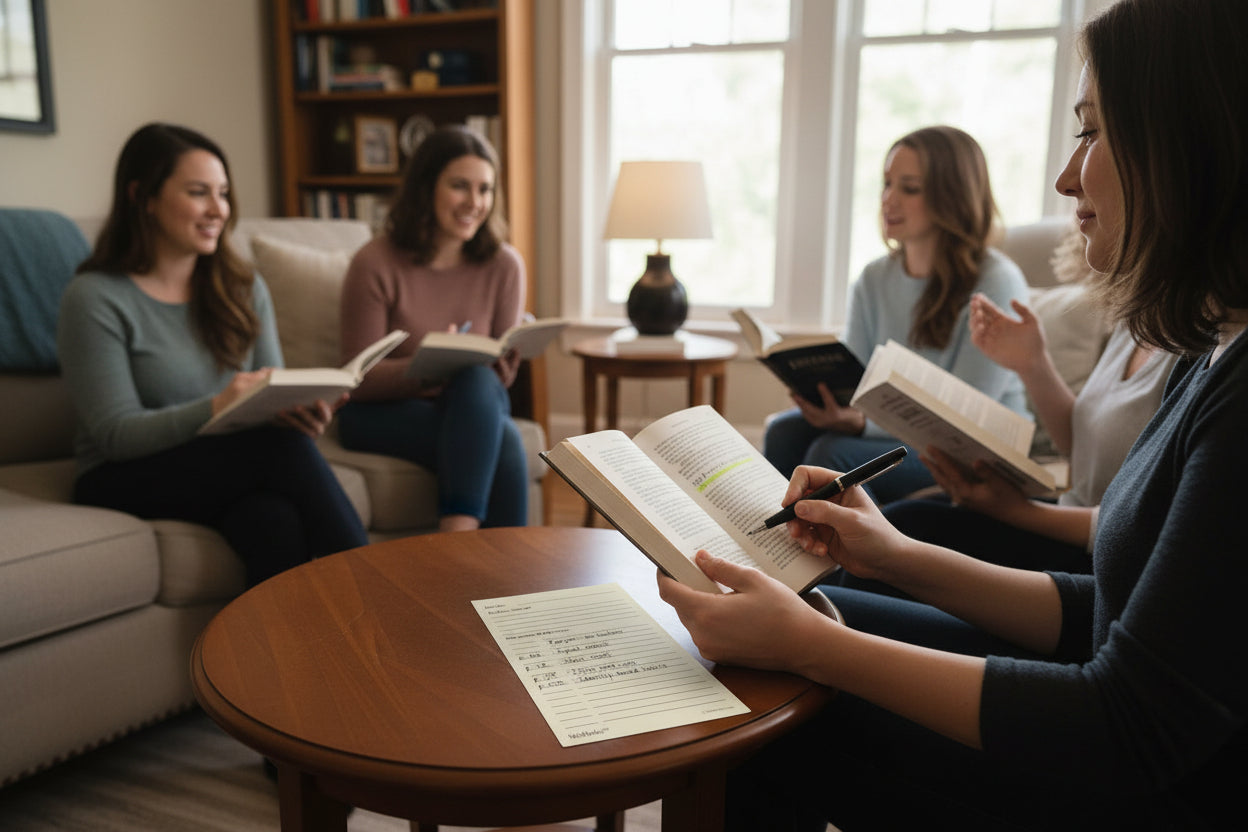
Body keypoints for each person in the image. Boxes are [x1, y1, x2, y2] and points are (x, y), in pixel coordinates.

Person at [658, 0, 1248, 826]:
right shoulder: (1208, 347)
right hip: (1109, 716)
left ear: (1183, 145)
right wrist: (895, 555)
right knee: (808, 619)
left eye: (1091, 133)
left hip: (1147, 787)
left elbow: (1127, 726)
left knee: (775, 686)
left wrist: (810, 646)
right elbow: (1103, 613)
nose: (1066, 176)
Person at [57, 123, 369, 588]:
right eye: (198, 192)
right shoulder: (94, 297)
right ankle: (383, 592)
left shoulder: (243, 287)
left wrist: (298, 413)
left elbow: (272, 386)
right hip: (120, 472)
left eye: (222, 193)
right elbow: (115, 435)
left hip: (227, 462)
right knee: (278, 449)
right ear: (142, 196)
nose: (218, 209)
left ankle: (282, 641)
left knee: (273, 521)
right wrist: (219, 405)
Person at [869, 227, 1179, 577]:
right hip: (1068, 517)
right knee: (904, 516)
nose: (1068, 194)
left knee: (902, 527)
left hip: (1100, 561)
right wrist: (1033, 363)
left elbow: (1144, 527)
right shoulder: (1139, 317)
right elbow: (1083, 450)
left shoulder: (1197, 356)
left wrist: (1018, 511)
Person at [763, 125, 1030, 505]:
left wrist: (862, 423)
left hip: (970, 453)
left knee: (832, 455)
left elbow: (965, 423)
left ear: (951, 196)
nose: (889, 199)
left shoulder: (997, 281)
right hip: (893, 431)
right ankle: (776, 542)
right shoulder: (874, 278)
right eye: (887, 184)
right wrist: (828, 400)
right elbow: (855, 378)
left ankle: (842, 546)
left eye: (910, 188)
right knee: (784, 432)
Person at [337, 124, 527, 531]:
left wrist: (502, 364)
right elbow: (356, 379)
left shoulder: (504, 265)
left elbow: (496, 382)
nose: (474, 202)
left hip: (469, 405)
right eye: (460, 186)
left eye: (485, 189)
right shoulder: (374, 263)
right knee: (503, 436)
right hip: (378, 413)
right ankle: (476, 554)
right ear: (426, 189)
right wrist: (432, 366)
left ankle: (457, 543)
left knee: (481, 387)